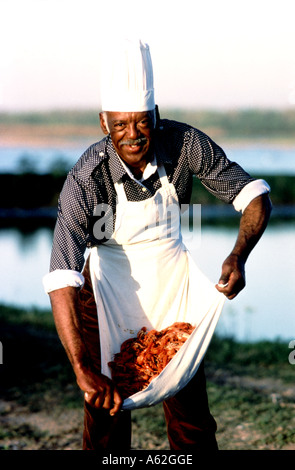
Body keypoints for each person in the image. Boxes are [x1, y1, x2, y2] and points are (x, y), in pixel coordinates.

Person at [43, 39, 272, 451]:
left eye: (142, 122)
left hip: (174, 292)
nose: (133, 136)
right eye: (119, 126)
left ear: (156, 115)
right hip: (107, 291)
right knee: (105, 413)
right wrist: (80, 368)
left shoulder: (183, 145)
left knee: (192, 418)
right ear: (103, 123)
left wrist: (239, 255)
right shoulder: (87, 178)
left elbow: (254, 195)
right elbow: (62, 274)